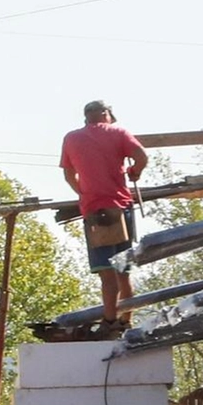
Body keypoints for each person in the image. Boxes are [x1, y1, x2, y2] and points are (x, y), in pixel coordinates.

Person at [60, 100, 149, 338]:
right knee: (123, 271)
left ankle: (109, 321)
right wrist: (134, 172)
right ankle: (123, 320)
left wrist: (83, 193)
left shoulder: (71, 138)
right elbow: (141, 157)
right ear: (105, 114)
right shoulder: (119, 133)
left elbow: (69, 174)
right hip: (119, 208)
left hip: (93, 212)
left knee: (105, 272)